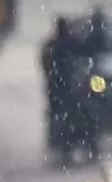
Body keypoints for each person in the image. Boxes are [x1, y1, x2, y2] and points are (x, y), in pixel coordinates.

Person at [41, 17, 87, 160]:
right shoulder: (64, 44)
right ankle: (62, 143)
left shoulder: (57, 44)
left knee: (65, 115)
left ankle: (64, 143)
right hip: (61, 87)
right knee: (63, 115)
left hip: (63, 87)